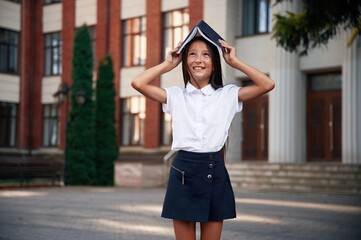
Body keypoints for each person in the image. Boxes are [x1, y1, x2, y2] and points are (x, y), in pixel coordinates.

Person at [131, 35, 275, 240]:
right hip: (183, 172)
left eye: (206, 55)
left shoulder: (227, 95)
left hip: (213, 171)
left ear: (214, 64)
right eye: (192, 54)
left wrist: (234, 62)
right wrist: (168, 63)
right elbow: (137, 82)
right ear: (185, 62)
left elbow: (267, 84)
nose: (199, 59)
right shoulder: (175, 96)